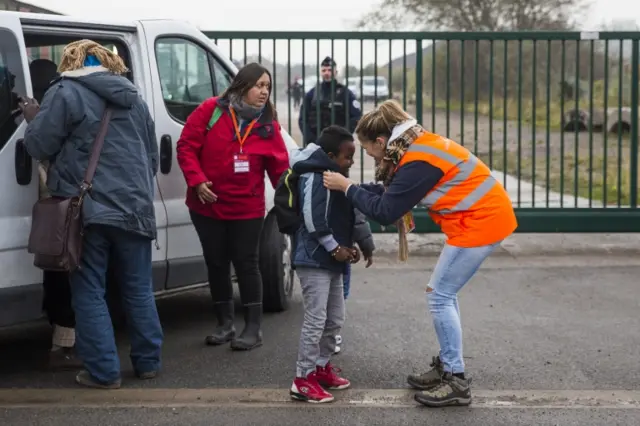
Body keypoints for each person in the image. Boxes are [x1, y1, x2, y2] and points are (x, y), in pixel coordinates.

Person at [322, 100, 518, 408]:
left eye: (368, 149)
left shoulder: (417, 161)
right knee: (443, 294)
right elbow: (390, 194)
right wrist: (355, 188)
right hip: (478, 220)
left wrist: (347, 188)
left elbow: (386, 211)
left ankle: (456, 379)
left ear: (381, 141)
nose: (369, 156)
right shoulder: (415, 147)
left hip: (481, 223)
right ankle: (447, 366)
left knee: (439, 295)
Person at [20, 39, 163, 389]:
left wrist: (33, 119)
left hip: (89, 211)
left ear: (70, 63)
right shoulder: (135, 98)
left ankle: (103, 372)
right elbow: (152, 160)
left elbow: (38, 145)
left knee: (89, 291)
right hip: (135, 208)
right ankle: (148, 363)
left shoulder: (65, 92)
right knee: (139, 289)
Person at [176, 62, 289, 351]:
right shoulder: (211, 110)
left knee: (247, 263)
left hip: (246, 208)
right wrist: (197, 181)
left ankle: (253, 329)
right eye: (259, 85)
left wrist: (291, 199)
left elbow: (280, 169)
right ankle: (224, 324)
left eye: (268, 87)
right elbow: (186, 146)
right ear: (242, 86)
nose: (264, 92)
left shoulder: (267, 124)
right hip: (207, 204)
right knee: (216, 262)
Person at [288, 125, 366, 404]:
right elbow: (313, 219)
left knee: (334, 318)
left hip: (331, 259)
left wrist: (349, 248)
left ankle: (321, 368)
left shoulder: (336, 176)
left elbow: (344, 216)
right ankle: (303, 378)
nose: (352, 163)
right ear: (331, 156)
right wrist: (335, 249)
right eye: (348, 157)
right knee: (315, 320)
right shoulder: (313, 175)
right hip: (313, 258)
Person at [298, 56, 361, 146]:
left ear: (336, 72)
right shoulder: (312, 94)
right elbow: (302, 119)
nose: (327, 73)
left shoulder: (345, 93)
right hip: (316, 143)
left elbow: (356, 117)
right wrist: (311, 139)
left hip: (339, 145)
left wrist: (343, 136)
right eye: (324, 70)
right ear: (321, 72)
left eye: (330, 70)